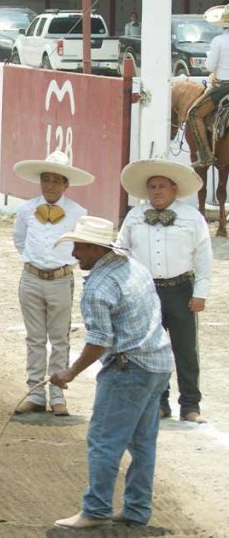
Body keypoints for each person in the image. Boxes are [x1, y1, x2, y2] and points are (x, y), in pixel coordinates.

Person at [50, 216, 173, 530]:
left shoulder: (97, 288)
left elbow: (99, 341)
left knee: (104, 440)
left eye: (79, 246)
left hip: (128, 369)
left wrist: (70, 372)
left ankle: (96, 509)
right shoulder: (134, 266)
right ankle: (136, 510)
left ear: (95, 248)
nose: (74, 252)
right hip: (158, 363)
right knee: (143, 443)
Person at [116, 159, 212, 423]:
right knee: (151, 350)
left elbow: (204, 257)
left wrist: (200, 293)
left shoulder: (192, 218)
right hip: (145, 290)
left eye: (162, 186)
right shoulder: (135, 216)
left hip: (181, 289)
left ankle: (191, 405)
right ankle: (159, 402)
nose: (157, 191)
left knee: (185, 350)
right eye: (152, 187)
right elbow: (120, 250)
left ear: (174, 189)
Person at [11, 150, 92, 416]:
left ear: (66, 184)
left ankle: (57, 394)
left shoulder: (78, 213)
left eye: (56, 180)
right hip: (32, 277)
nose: (50, 185)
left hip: (60, 279)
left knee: (59, 338)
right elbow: (20, 240)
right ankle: (35, 392)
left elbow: (83, 246)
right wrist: (32, 261)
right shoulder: (26, 210)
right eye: (46, 179)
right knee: (34, 338)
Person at [187, 9, 229, 167]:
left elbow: (210, 67)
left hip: (223, 87)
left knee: (193, 114)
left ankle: (206, 156)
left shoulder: (218, 40)